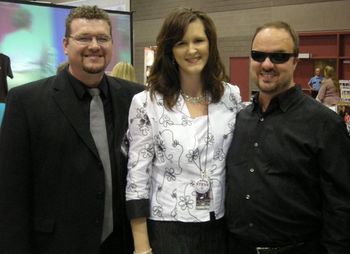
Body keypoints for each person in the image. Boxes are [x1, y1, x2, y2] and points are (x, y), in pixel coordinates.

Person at [0, 5, 143, 254]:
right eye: (84, 38)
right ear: (66, 44)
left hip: (121, 243)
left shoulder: (135, 97)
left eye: (103, 38)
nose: (95, 45)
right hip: (57, 244)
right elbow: (11, 192)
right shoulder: (26, 101)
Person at [225, 21, 350, 254]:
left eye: (279, 56)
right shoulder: (240, 119)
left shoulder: (324, 124)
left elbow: (341, 206)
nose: (267, 64)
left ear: (295, 62)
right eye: (258, 55)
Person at [125, 8, 242, 254]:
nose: (191, 50)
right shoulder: (146, 103)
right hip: (167, 226)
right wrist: (141, 247)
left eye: (199, 40)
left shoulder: (230, 96)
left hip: (219, 224)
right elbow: (137, 178)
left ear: (210, 44)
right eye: (181, 43)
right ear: (170, 50)